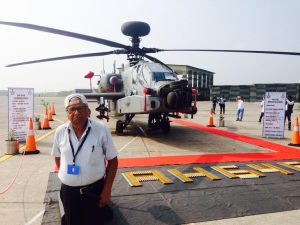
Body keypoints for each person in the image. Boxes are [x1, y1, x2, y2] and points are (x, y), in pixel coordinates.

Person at [51, 94, 118, 225]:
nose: (77, 113)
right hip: (69, 194)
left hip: (95, 192)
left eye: (81, 108)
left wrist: (107, 190)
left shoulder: (101, 130)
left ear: (88, 111)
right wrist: (68, 177)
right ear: (67, 113)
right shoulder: (60, 132)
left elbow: (113, 161)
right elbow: (57, 157)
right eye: (72, 109)